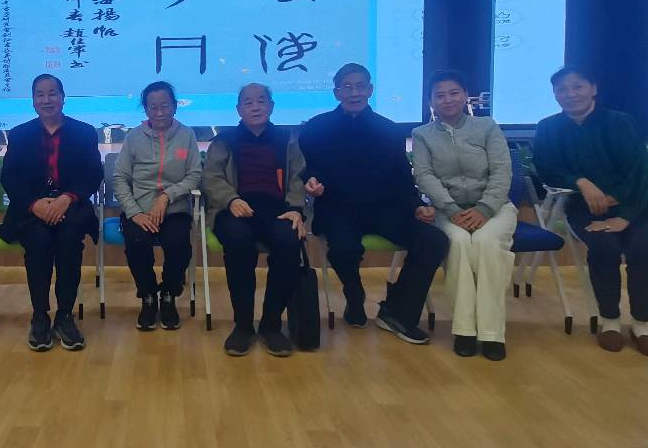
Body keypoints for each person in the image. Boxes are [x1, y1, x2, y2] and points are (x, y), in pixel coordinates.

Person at [298, 62, 448, 345]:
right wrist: (310, 182)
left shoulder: (388, 130)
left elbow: (402, 176)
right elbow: (305, 169)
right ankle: (354, 294)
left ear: (370, 89)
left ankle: (398, 312)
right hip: (337, 208)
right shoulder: (316, 128)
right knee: (343, 249)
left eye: (360, 86)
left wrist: (416, 205)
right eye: (347, 87)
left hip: (386, 209)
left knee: (434, 240)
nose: (354, 92)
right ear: (336, 93)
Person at [533, 66, 648, 357]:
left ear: (593, 89)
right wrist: (581, 182)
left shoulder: (620, 122)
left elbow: (639, 172)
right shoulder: (548, 128)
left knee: (644, 250)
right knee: (603, 247)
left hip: (639, 207)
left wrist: (624, 216)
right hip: (586, 210)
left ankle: (642, 325)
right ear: (554, 94)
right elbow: (547, 169)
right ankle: (609, 321)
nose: (570, 94)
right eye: (562, 89)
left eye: (577, 86)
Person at [411, 71, 516, 361]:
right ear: (431, 101)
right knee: (456, 244)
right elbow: (424, 175)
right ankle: (465, 330)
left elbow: (502, 171)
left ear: (465, 95)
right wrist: (452, 209)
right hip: (448, 211)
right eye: (440, 95)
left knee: (486, 244)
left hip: (494, 208)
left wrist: (484, 209)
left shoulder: (487, 127)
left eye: (454, 92)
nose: (447, 99)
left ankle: (492, 333)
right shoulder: (422, 135)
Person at [0, 74, 103, 352]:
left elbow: (93, 174)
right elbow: (10, 177)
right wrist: (35, 204)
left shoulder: (84, 132)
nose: (47, 100)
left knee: (69, 242)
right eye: (40, 94)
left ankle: (65, 316)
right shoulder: (19, 134)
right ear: (33, 100)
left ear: (63, 98)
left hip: (71, 206)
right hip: (31, 210)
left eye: (52, 93)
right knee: (39, 243)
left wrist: (67, 198)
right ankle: (40, 317)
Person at [202, 83, 306, 357]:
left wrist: (296, 208)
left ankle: (271, 324)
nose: (255, 107)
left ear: (271, 106)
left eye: (261, 101)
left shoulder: (287, 139)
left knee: (289, 241)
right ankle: (243, 325)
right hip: (234, 209)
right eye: (248, 102)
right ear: (239, 109)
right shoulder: (224, 141)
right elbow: (211, 178)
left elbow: (299, 177)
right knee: (238, 241)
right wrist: (231, 199)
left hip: (277, 210)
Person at [114, 81, 202, 331]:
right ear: (145, 109)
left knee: (179, 245)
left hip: (174, 210)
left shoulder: (187, 135)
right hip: (140, 210)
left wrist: (166, 197)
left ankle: (169, 294)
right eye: (153, 107)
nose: (160, 112)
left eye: (165, 106)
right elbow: (120, 178)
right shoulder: (133, 137)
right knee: (137, 243)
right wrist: (134, 212)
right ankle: (148, 295)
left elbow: (195, 175)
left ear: (175, 106)